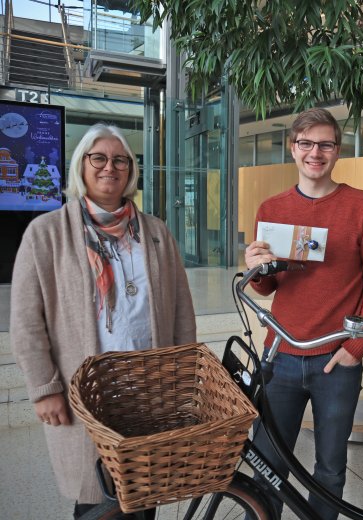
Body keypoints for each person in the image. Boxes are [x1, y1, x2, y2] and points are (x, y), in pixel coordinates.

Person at [10, 123, 197, 518]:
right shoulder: (46, 235)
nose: (109, 167)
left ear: (130, 170)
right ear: (82, 165)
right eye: (99, 157)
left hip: (148, 390)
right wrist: (44, 388)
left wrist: (181, 375)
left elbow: (181, 311)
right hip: (89, 393)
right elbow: (27, 321)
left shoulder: (157, 233)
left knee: (144, 492)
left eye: (120, 160)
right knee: (97, 498)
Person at [244, 107, 363, 520]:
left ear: (337, 152)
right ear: (293, 149)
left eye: (325, 144)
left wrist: (357, 346)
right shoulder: (272, 208)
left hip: (336, 360)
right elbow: (267, 286)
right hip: (281, 356)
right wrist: (256, 268)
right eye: (306, 143)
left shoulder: (360, 207)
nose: (315, 152)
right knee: (265, 464)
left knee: (329, 469)